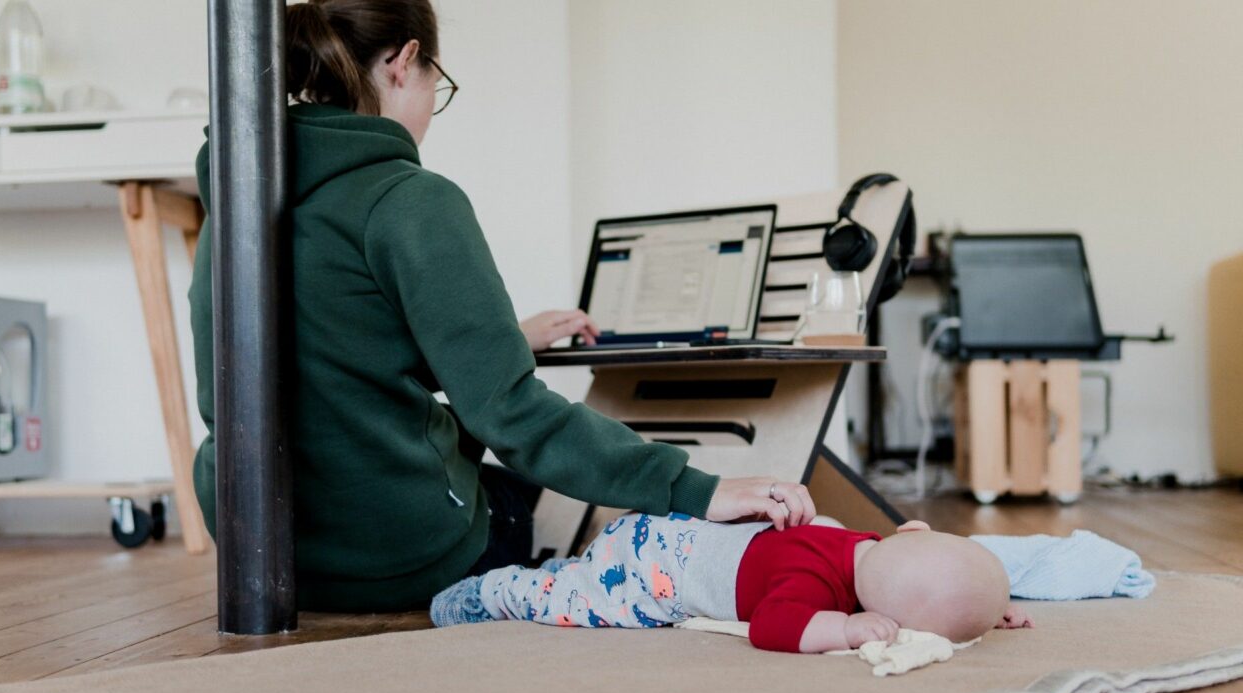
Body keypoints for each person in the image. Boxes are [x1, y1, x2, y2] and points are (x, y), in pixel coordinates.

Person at [186, 0, 814, 613]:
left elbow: (336, 354)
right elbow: (512, 416)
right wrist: (696, 489)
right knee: (532, 499)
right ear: (404, 61)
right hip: (390, 558)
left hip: (264, 554)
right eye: (437, 82)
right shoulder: (408, 198)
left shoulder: (239, 203)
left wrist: (502, 339)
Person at [431, 517, 1034, 652]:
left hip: (661, 533)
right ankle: (493, 592)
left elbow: (936, 580)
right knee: (574, 604)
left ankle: (570, 569)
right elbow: (772, 627)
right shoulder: (810, 587)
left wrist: (988, 610)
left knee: (584, 572)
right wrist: (845, 629)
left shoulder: (863, 542)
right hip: (650, 576)